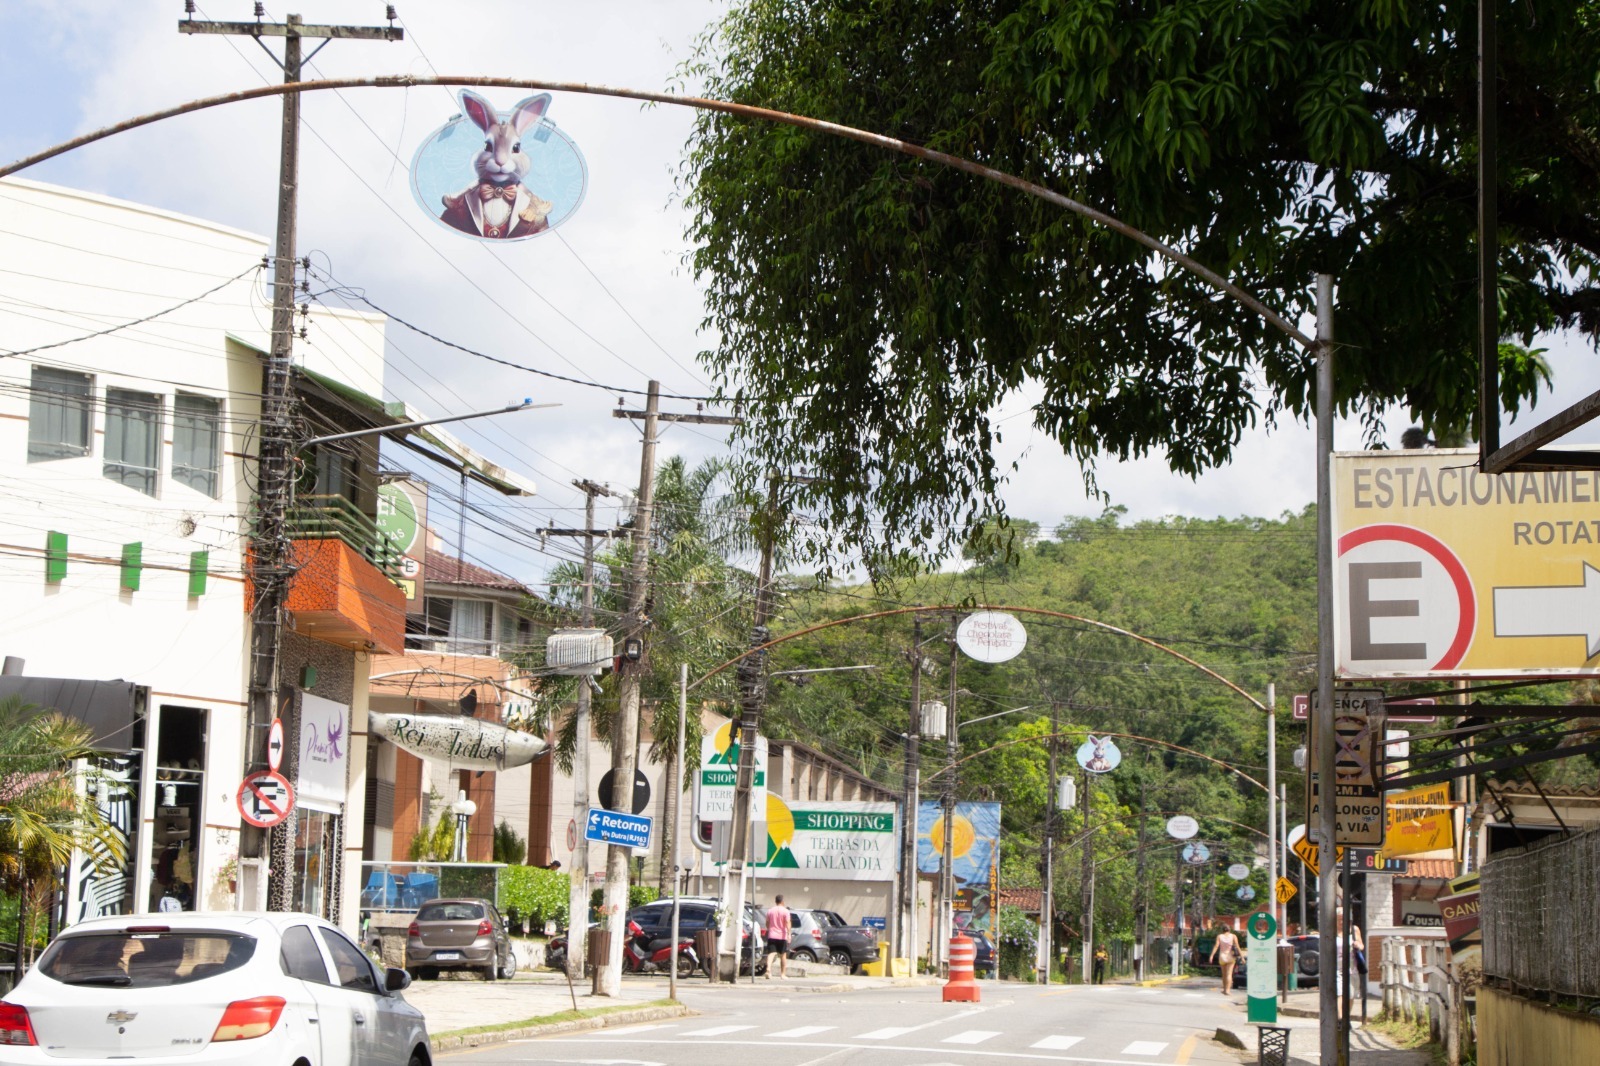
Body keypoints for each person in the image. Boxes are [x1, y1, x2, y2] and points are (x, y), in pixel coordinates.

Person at [764, 894, 792, 979]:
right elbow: (787, 923)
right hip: (782, 936)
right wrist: (789, 934)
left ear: (775, 901)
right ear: (782, 901)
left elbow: (767, 923)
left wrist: (769, 929)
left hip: (772, 935)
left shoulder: (770, 910)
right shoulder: (786, 911)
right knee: (783, 955)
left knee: (771, 953)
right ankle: (783, 974)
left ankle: (768, 969)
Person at [1209, 924, 1241, 996]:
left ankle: (1224, 989)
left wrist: (1211, 956)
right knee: (1229, 974)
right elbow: (1238, 947)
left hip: (1222, 957)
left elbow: (1216, 946)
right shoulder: (1233, 936)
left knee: (1224, 974)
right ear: (1229, 929)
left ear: (1222, 930)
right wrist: (1242, 957)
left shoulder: (1219, 936)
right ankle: (1228, 990)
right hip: (1231, 957)